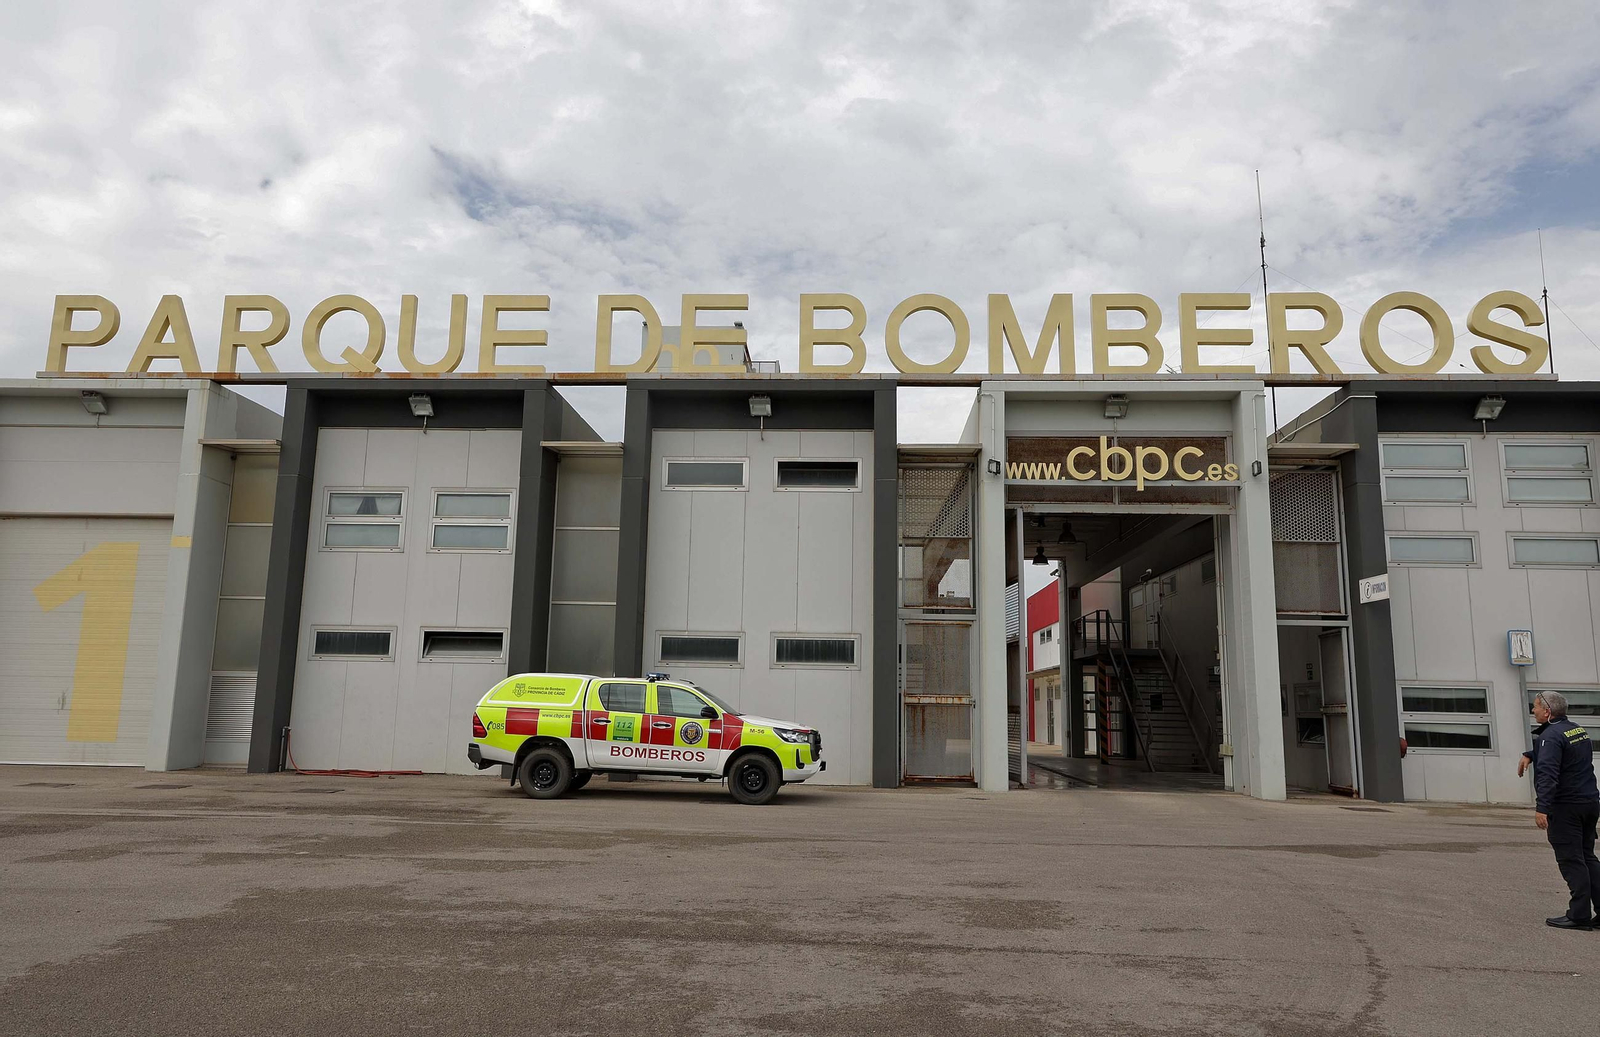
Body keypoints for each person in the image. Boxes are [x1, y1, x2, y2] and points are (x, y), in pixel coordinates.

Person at [1521, 691, 1600, 930]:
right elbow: (1565, 754)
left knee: (1571, 860)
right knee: (1588, 857)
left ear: (1547, 711)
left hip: (1566, 807)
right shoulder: (1576, 729)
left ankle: (1578, 916)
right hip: (1589, 803)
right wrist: (1530, 754)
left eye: (1535, 707)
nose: (1533, 711)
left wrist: (1542, 808)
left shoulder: (1551, 736)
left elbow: (1548, 774)